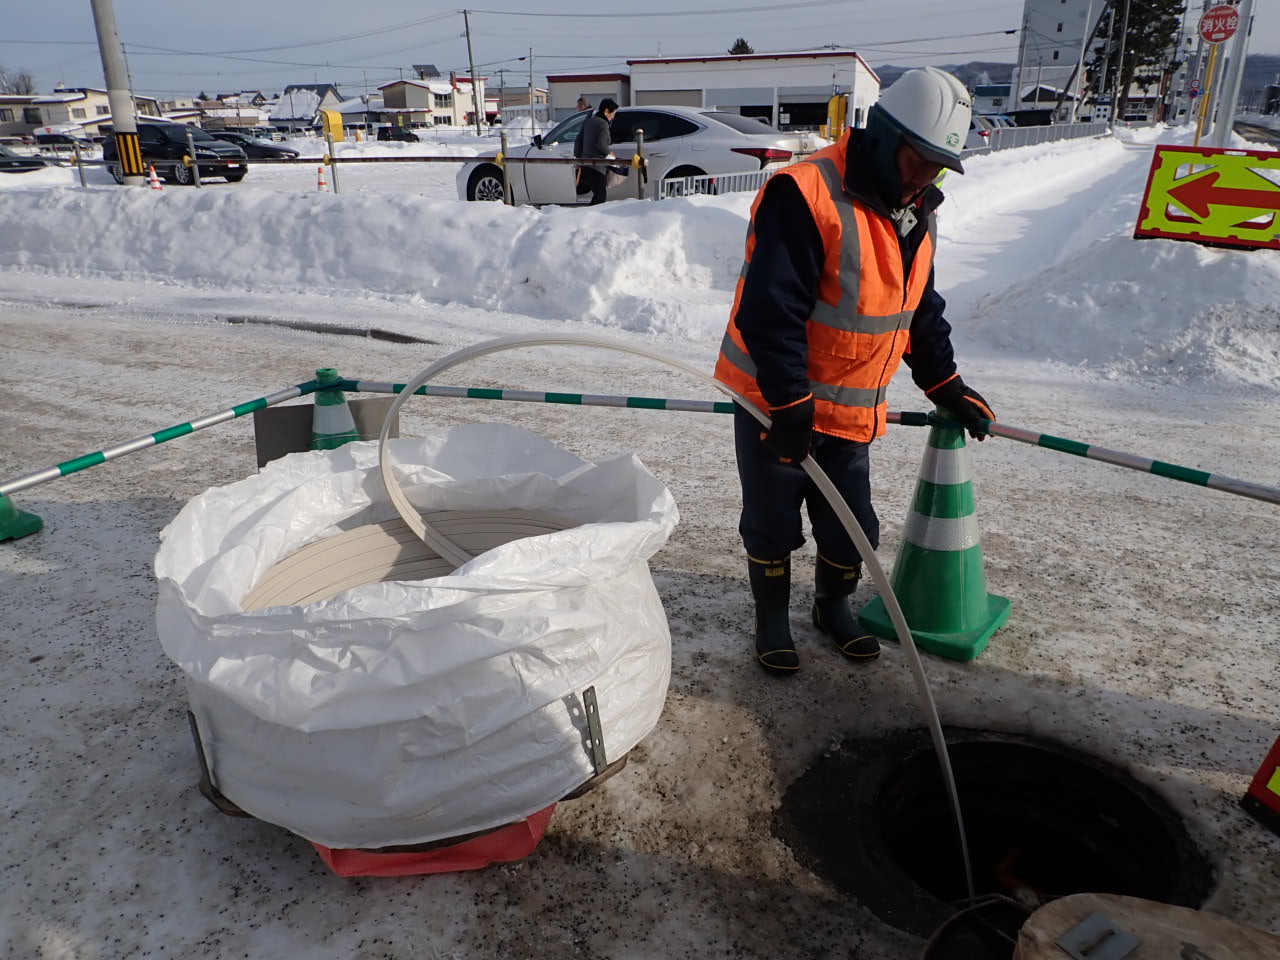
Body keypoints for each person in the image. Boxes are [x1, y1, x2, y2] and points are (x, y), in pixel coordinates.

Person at [713, 67, 997, 674]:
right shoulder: (806, 194)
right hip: (775, 404)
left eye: (939, 165)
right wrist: (788, 402)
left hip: (847, 411)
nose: (926, 176)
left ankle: (831, 607)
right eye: (918, 159)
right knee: (771, 525)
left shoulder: (917, 211)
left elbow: (915, 306)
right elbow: (771, 310)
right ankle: (771, 622)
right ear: (883, 136)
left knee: (852, 528)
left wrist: (945, 382)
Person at [573, 98, 618, 206]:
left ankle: (592, 216)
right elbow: (601, 144)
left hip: (586, 165)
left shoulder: (589, 121)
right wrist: (610, 154)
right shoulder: (603, 124)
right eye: (613, 113)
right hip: (597, 165)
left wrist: (579, 158)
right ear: (606, 111)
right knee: (600, 196)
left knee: (597, 194)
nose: (613, 117)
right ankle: (592, 217)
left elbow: (578, 140)